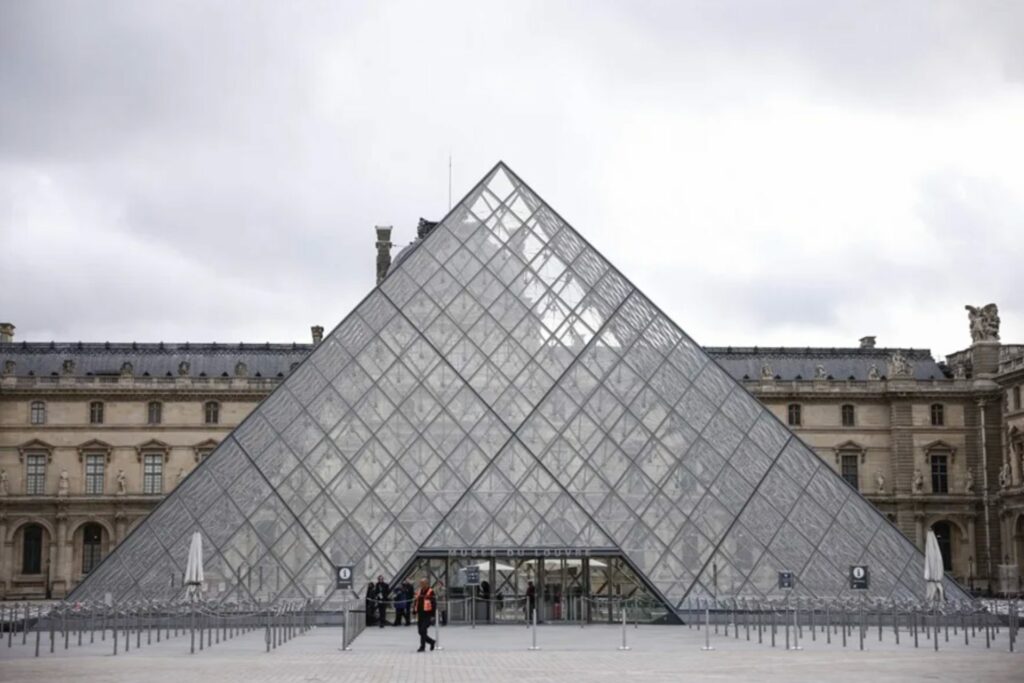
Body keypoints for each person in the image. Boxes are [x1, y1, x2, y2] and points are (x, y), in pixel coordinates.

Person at [413, 578, 436, 652]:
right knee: (420, 632)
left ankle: (422, 647)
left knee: (423, 630)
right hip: (420, 614)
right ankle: (431, 641)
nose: (421, 585)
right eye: (421, 583)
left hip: (427, 614)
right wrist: (414, 611)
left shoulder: (431, 591)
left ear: (427, 584)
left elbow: (434, 604)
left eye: (423, 583)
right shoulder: (419, 591)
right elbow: (416, 601)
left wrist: (433, 615)